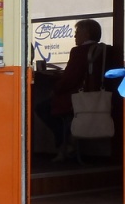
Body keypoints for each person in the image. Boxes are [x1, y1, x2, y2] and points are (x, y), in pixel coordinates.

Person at [36, 19, 116, 162]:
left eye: (77, 32)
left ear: (86, 34)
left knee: (42, 108)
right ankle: (68, 141)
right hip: (94, 96)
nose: (75, 36)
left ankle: (65, 143)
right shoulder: (103, 49)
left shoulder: (79, 51)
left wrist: (55, 89)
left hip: (75, 98)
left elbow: (69, 79)